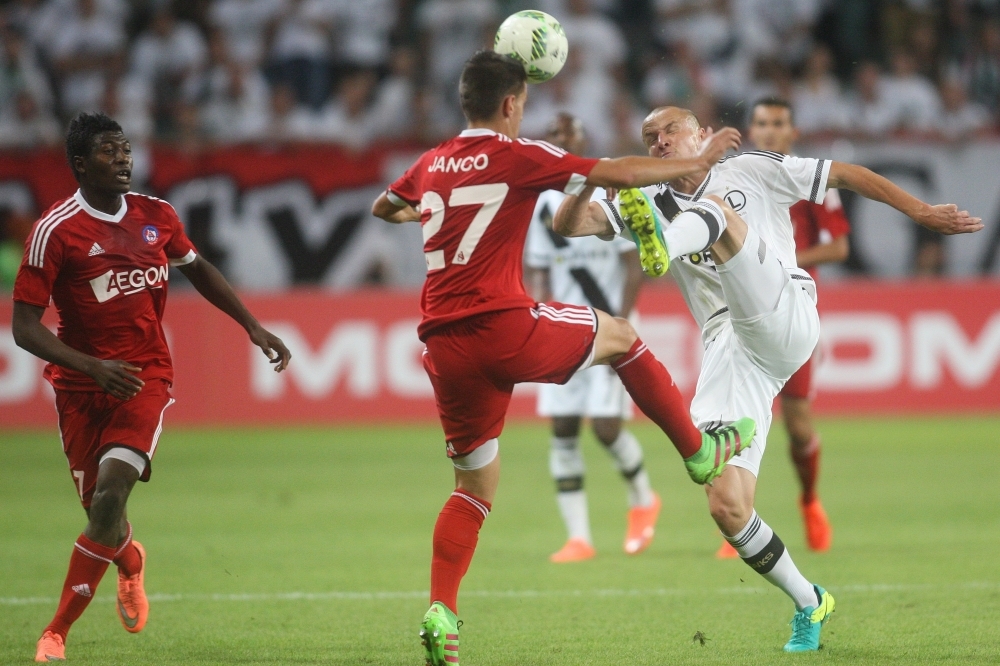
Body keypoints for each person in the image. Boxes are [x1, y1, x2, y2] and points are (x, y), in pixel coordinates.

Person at [371, 50, 754, 666]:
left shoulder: (430, 163)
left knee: (474, 485)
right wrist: (701, 158)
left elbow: (382, 208)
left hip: (442, 345)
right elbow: (621, 173)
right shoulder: (521, 154)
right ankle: (700, 453)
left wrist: (433, 208)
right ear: (511, 104)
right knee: (623, 338)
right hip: (500, 323)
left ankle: (442, 609)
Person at [553, 105, 981, 652]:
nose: (659, 141)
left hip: (784, 310)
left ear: (703, 135)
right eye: (648, 137)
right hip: (729, 346)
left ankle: (664, 249)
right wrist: (593, 175)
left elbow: (844, 175)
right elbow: (567, 226)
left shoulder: (747, 167)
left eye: (671, 131)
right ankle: (809, 600)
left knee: (717, 216)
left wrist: (920, 211)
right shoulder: (645, 197)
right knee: (726, 503)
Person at [12, 112, 291, 662]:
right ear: (78, 164)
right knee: (100, 515)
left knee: (112, 493)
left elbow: (198, 266)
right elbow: (24, 327)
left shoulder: (155, 215)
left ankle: (55, 633)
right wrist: (91, 366)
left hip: (145, 377)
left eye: (126, 150)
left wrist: (252, 325)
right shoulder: (54, 231)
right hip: (80, 387)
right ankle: (129, 560)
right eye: (108, 152)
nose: (123, 160)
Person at [715, 97, 850, 559]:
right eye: (761, 124)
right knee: (737, 418)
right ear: (751, 131)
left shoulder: (809, 183)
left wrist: (776, 264)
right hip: (743, 318)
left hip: (792, 314)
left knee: (796, 424)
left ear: (792, 132)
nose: (769, 131)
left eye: (778, 124)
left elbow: (838, 249)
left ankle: (810, 498)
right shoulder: (739, 179)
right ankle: (737, 518)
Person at [523, 113, 658, 563]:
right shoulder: (542, 204)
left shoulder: (609, 193)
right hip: (561, 327)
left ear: (584, 138)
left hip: (607, 327)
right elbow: (539, 268)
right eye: (553, 135)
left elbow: (632, 263)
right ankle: (578, 538)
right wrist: (537, 313)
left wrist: (621, 321)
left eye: (569, 133)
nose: (561, 139)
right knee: (562, 429)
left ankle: (643, 499)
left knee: (604, 428)